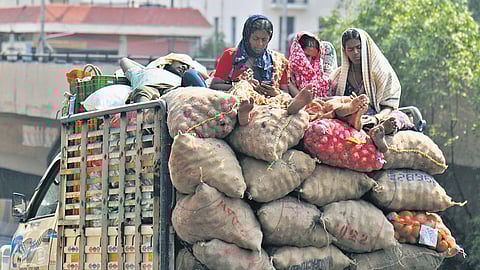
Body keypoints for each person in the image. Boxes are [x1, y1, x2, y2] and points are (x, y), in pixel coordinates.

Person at [210, 15, 313, 125]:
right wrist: (241, 85)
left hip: (268, 103)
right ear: (247, 36)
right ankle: (244, 115)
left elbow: (284, 90)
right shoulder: (231, 56)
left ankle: (292, 107)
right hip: (242, 100)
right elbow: (214, 85)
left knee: (284, 97)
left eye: (264, 40)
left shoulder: (279, 61)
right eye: (255, 39)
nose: (260, 44)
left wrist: (275, 92)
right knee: (242, 88)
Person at [329, 28, 412, 152]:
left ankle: (381, 130)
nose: (355, 52)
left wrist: (376, 118)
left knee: (399, 117)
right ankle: (371, 131)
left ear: (366, 47)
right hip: (352, 119)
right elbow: (332, 105)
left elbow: (389, 106)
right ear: (345, 51)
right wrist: (350, 106)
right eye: (350, 49)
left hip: (379, 116)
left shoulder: (382, 72)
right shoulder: (338, 76)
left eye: (359, 47)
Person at [125, 53, 208, 103]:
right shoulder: (142, 72)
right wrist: (156, 64)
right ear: (169, 61)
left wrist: (191, 69)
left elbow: (205, 77)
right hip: (150, 89)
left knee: (191, 74)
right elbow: (125, 61)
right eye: (181, 63)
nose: (184, 66)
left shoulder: (182, 78)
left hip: (175, 92)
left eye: (187, 66)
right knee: (143, 91)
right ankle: (145, 122)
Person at [288, 31, 331, 98]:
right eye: (306, 56)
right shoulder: (288, 73)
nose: (309, 61)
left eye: (313, 57)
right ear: (298, 53)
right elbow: (300, 99)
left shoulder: (320, 73)